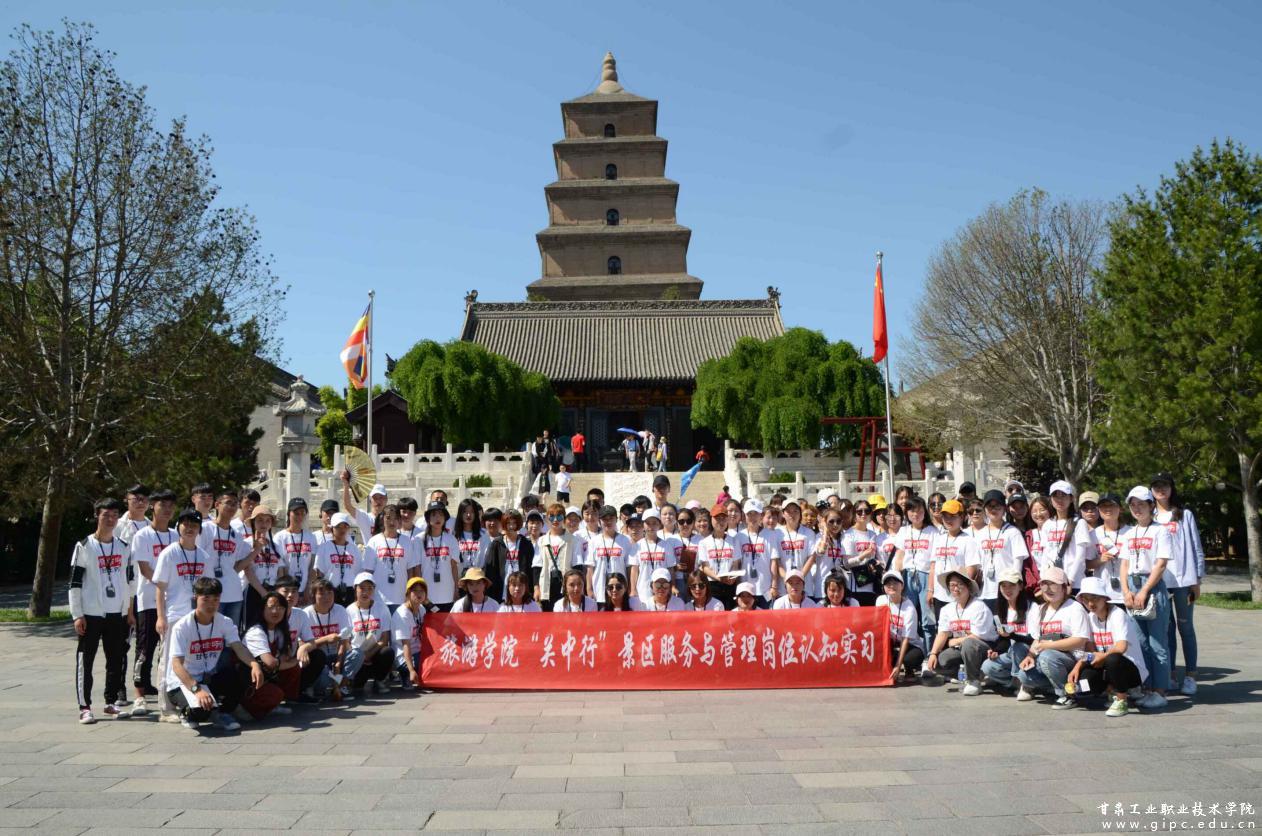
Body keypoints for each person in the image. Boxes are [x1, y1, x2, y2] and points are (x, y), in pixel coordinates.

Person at [70, 497, 137, 723]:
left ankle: (110, 702)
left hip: (117, 613)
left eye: (114, 515)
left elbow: (130, 581)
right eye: (105, 515)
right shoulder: (84, 546)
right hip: (91, 613)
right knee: (85, 660)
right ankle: (84, 707)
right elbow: (75, 583)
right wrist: (77, 614)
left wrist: (129, 611)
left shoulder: (124, 547)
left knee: (116, 659)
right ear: (96, 516)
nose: (110, 519)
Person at [165, 576, 261, 732]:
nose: (211, 604)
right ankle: (188, 713)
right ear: (195, 598)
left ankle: (223, 712)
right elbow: (176, 665)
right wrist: (197, 690)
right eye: (206, 599)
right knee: (200, 712)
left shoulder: (224, 621)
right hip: (183, 682)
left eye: (215, 599)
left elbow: (239, 648)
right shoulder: (182, 627)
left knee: (245, 673)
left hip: (208, 677)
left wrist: (255, 664)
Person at [153, 508, 213, 721]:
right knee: (168, 660)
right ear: (178, 527)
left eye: (194, 525)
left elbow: (209, 589)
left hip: (195, 617)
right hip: (174, 615)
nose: (189, 528)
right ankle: (166, 708)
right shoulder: (169, 553)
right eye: (185, 524)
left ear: (199, 530)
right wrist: (160, 617)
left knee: (188, 661)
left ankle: (184, 701)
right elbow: (160, 588)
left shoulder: (204, 556)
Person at [1120, 485, 1174, 709]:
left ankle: (1160, 691)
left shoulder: (1160, 531)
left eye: (1141, 504)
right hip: (1132, 586)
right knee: (1141, 643)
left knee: (1157, 643)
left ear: (1151, 505)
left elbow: (1161, 564)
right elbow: (1124, 564)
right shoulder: (1129, 533)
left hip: (1151, 585)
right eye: (1133, 505)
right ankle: (1147, 687)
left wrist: (1145, 590)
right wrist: (1126, 591)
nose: (1137, 508)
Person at [1151, 472, 1205, 697]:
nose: (1161, 490)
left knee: (1186, 628)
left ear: (1172, 488)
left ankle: (1191, 675)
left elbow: (1196, 546)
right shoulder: (1150, 516)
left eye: (1165, 485)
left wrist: (1197, 579)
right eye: (1156, 486)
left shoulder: (1184, 515)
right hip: (1160, 581)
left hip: (1184, 580)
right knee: (1166, 630)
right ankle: (1171, 674)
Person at [1071, 576, 1149, 717]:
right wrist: (1077, 666)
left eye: (1095, 598)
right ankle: (1109, 689)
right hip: (1107, 667)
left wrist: (1101, 656)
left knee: (1113, 658)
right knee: (1084, 682)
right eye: (1085, 599)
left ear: (1105, 598)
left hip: (1130, 670)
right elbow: (1090, 650)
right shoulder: (1090, 617)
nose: (1090, 603)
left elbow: (1121, 647)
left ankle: (1122, 699)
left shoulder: (1117, 614)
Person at [129, 488, 177, 715]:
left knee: (167, 649)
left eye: (170, 506)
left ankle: (163, 689)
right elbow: (145, 568)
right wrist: (164, 586)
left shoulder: (176, 535)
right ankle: (139, 695)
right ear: (152, 507)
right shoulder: (143, 535)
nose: (166, 509)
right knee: (145, 649)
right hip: (149, 600)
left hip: (172, 602)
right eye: (162, 505)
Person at [1016, 567, 1092, 707]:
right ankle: (1057, 687)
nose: (1048, 589)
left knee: (1047, 656)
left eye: (1053, 584)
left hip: (1074, 660)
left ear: (1064, 588)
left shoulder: (1075, 608)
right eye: (1044, 584)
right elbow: (1038, 639)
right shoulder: (1040, 609)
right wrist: (1030, 656)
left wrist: (1049, 646)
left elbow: (1080, 640)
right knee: (1023, 675)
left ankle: (1067, 695)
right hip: (1050, 659)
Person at [925, 569, 998, 695]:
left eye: (960, 584)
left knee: (969, 643)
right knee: (939, 661)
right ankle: (974, 675)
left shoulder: (979, 606)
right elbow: (942, 633)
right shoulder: (946, 609)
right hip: (962, 648)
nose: (955, 588)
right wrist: (933, 653)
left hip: (984, 648)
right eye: (952, 585)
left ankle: (974, 681)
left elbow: (975, 637)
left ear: (968, 586)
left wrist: (952, 641)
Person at [239, 590, 298, 721]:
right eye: (271, 607)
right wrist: (295, 661)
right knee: (276, 692)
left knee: (293, 670)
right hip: (248, 679)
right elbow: (270, 663)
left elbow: (285, 656)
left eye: (280, 608)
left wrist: (289, 662)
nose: (276, 611)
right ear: (262, 609)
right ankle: (243, 707)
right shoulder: (256, 631)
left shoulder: (279, 630)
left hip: (267, 675)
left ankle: (273, 704)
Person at [199, 491, 255, 627]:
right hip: (210, 593)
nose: (232, 507)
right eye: (228, 503)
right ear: (217, 505)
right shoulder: (205, 529)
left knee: (231, 634)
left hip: (234, 594)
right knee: (211, 632)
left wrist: (257, 550)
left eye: (235, 504)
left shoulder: (237, 535)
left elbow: (237, 567)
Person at [979, 570, 1036, 696]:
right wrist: (996, 651)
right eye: (1003, 586)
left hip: (1030, 653)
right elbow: (1004, 638)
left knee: (1018, 647)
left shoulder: (1032, 607)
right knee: (987, 666)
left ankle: (1025, 685)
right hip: (1011, 654)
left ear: (1020, 586)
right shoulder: (1000, 608)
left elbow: (1034, 639)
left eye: (1012, 585)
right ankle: (1017, 683)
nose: (1007, 589)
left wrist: (1011, 635)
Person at [975, 490, 1030, 614]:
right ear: (984, 509)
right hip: (985, 591)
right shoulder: (980, 534)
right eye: (990, 506)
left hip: (1006, 591)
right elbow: (978, 565)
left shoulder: (1013, 532)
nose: (994, 509)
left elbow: (1018, 562)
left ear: (1004, 509)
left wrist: (1014, 586)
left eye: (997, 506)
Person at [892, 496, 937, 647]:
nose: (915, 514)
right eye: (911, 510)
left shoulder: (933, 532)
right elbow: (899, 556)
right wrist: (897, 579)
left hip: (926, 576)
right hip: (907, 576)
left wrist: (931, 588)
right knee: (909, 617)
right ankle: (912, 652)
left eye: (919, 510)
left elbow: (933, 562)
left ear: (925, 512)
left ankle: (930, 654)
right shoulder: (903, 531)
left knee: (928, 620)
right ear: (906, 513)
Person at [926, 499, 981, 622]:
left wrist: (961, 591)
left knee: (958, 628)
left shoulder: (968, 540)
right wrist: (930, 590)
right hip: (939, 595)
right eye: (945, 516)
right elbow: (933, 566)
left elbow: (971, 569)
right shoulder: (939, 539)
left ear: (962, 517)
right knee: (941, 628)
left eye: (953, 516)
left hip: (958, 595)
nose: (948, 520)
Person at [274, 576, 326, 700]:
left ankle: (297, 693)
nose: (290, 595)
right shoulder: (269, 613)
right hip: (272, 660)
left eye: (294, 591)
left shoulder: (300, 614)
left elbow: (311, 642)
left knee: (318, 656)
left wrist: (303, 648)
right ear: (276, 593)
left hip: (292, 659)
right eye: (285, 591)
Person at [344, 573, 396, 695]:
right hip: (357, 656)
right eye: (362, 588)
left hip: (374, 652)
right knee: (358, 687)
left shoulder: (382, 608)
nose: (365, 592)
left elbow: (384, 638)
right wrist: (358, 657)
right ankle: (353, 682)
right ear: (355, 589)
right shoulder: (348, 611)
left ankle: (379, 680)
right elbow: (346, 641)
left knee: (387, 652)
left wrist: (369, 654)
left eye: (369, 588)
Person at [303, 578, 353, 701]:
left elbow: (344, 639)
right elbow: (304, 645)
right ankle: (318, 688)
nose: (327, 597)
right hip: (319, 658)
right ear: (313, 596)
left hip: (336, 654)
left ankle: (341, 686)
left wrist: (339, 662)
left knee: (357, 654)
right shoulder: (306, 614)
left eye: (330, 593)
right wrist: (326, 639)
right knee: (324, 673)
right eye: (322, 593)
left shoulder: (340, 610)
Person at [1042, 480, 1094, 592]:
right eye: (1055, 496)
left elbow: (1080, 556)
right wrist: (1043, 578)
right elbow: (1045, 555)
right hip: (1052, 582)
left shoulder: (1079, 523)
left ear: (1071, 498)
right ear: (1051, 499)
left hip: (1074, 583)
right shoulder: (1047, 524)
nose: (1059, 500)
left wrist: (1070, 579)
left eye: (1063, 495)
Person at [876, 571, 923, 681]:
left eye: (895, 583)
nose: (891, 586)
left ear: (902, 586)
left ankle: (909, 669)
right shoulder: (880, 600)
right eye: (888, 584)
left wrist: (898, 665)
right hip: (891, 642)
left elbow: (906, 639)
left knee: (909, 659)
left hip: (910, 644)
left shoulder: (909, 608)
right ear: (884, 587)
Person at [242, 505, 284, 626]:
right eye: (260, 520)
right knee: (252, 627)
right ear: (253, 522)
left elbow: (280, 570)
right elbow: (248, 571)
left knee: (271, 626)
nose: (263, 524)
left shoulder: (275, 545)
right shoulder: (246, 544)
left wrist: (277, 591)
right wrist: (263, 592)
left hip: (272, 591)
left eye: (267, 520)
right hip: (253, 590)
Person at [531, 505, 580, 606]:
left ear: (564, 519)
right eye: (552, 517)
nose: (555, 520)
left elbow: (577, 566)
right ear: (547, 519)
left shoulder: (573, 540)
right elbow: (537, 567)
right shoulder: (541, 541)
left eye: (559, 517)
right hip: (546, 583)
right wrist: (536, 588)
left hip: (566, 583)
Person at [584, 505, 633, 605]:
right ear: (599, 521)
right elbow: (590, 568)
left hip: (619, 592)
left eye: (611, 518)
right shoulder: (594, 541)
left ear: (617, 519)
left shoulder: (625, 540)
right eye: (604, 519)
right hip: (599, 592)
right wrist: (589, 589)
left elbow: (629, 567)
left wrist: (630, 588)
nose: (608, 522)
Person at [313, 512, 363, 607]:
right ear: (332, 528)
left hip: (350, 592)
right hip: (330, 590)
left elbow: (358, 573)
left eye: (345, 526)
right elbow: (319, 574)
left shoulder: (354, 549)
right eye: (338, 527)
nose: (342, 529)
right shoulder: (324, 547)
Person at [698, 503, 742, 609]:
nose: (721, 522)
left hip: (729, 585)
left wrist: (733, 577)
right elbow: (705, 567)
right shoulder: (704, 543)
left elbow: (736, 564)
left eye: (724, 518)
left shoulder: (734, 541)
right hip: (712, 585)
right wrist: (718, 578)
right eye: (717, 518)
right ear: (711, 520)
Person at [630, 509, 679, 603]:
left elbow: (671, 569)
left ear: (659, 524)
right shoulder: (637, 545)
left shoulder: (666, 545)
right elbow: (634, 570)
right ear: (643, 525)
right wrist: (633, 589)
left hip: (662, 590)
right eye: (648, 523)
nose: (651, 526)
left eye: (654, 523)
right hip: (643, 591)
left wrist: (673, 586)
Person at [740, 500, 781, 607]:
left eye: (756, 514)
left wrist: (774, 586)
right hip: (746, 589)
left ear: (761, 515)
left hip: (765, 588)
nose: (752, 517)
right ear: (744, 515)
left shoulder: (770, 535)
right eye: (749, 514)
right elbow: (738, 563)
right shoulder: (739, 536)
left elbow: (773, 562)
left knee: (766, 616)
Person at [1087, 493, 1126, 604]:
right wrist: (1100, 560)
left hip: (1127, 593)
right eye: (1103, 506)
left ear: (1120, 509)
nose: (1108, 509)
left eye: (1112, 505)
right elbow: (1086, 564)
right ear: (1098, 510)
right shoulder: (1093, 534)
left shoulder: (1131, 532)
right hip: (1102, 594)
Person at [273, 498, 315, 601]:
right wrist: (286, 591)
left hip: (305, 590)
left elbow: (313, 564)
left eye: (302, 513)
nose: (299, 516)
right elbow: (280, 567)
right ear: (289, 513)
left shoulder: (311, 537)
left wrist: (308, 587)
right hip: (287, 591)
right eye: (296, 513)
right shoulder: (280, 537)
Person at [393, 577, 431, 689]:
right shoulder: (402, 614)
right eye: (415, 591)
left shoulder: (422, 609)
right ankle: (406, 673)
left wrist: (428, 602)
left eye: (422, 591)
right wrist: (411, 670)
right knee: (425, 665)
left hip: (418, 651)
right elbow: (406, 644)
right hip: (404, 656)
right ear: (408, 594)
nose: (418, 594)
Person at [810, 507, 852, 602]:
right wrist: (825, 532)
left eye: (838, 521)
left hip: (839, 588)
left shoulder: (844, 538)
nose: (835, 525)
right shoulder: (819, 537)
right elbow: (820, 551)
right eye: (831, 521)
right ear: (825, 522)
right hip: (822, 588)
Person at [342, 474, 388, 544]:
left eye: (381, 497)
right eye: (375, 498)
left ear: (386, 499)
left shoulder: (391, 518)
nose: (378, 501)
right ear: (370, 500)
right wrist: (346, 485)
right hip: (371, 550)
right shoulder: (365, 517)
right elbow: (348, 506)